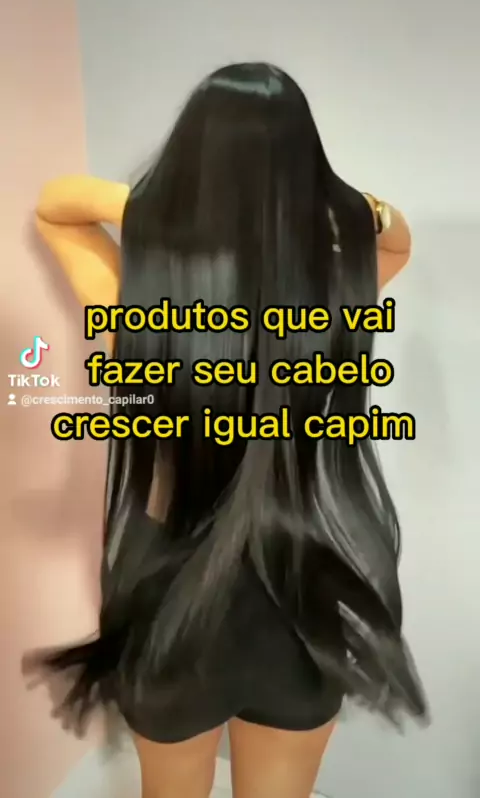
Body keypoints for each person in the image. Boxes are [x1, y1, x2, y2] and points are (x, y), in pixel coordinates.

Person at [29, 63, 427, 798]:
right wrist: (341, 209)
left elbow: (57, 207)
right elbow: (399, 240)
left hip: (169, 603)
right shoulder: (332, 302)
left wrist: (171, 209)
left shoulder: (134, 309)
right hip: (295, 598)